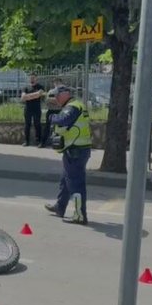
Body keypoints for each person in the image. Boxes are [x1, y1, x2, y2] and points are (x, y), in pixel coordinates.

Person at [44, 86, 92, 225]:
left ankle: (80, 216)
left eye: (57, 95)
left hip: (75, 150)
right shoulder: (76, 105)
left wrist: (52, 117)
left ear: (65, 94)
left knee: (75, 184)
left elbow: (63, 120)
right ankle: (60, 207)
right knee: (65, 180)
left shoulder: (72, 107)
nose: (56, 99)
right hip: (77, 149)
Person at [21, 74, 45, 147]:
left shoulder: (40, 87)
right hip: (28, 108)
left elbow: (39, 94)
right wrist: (35, 94)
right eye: (30, 78)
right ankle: (26, 141)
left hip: (36, 108)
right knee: (27, 125)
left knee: (37, 124)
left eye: (33, 78)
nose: (32, 79)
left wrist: (28, 96)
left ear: (36, 78)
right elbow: (23, 98)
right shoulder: (25, 87)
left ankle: (38, 141)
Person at [41, 78, 64, 147]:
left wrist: (53, 100)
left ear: (61, 82)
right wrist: (56, 100)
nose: (56, 83)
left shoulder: (64, 90)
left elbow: (61, 101)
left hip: (60, 110)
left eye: (58, 81)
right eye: (55, 82)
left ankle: (61, 142)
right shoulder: (51, 91)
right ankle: (43, 143)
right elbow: (47, 101)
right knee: (47, 127)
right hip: (51, 110)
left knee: (61, 126)